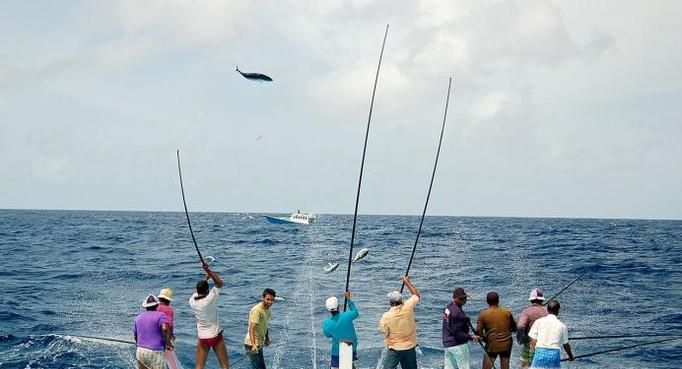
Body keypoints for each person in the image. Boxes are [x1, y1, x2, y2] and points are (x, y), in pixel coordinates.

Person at [189, 263, 229, 369]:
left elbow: (198, 290)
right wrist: (208, 271)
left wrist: (205, 278)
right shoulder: (209, 300)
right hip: (215, 336)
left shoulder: (192, 301)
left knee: (199, 366)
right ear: (207, 290)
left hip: (202, 337)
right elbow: (219, 283)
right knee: (225, 366)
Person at [378, 276, 421, 369]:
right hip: (410, 347)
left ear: (392, 303)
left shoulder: (387, 316)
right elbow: (416, 295)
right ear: (401, 300)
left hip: (395, 349)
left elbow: (383, 329)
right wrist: (407, 282)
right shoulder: (408, 306)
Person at [476, 291, 517, 369]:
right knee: (505, 367)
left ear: (487, 302)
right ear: (498, 300)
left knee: (486, 368)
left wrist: (485, 339)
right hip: (507, 344)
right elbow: (514, 327)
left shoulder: (483, 314)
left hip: (492, 344)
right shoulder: (507, 312)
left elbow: (479, 333)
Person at [529, 299, 575, 368]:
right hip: (554, 354)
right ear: (558, 311)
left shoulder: (538, 322)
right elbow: (566, 345)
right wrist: (570, 356)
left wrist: (537, 351)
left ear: (547, 310)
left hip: (540, 351)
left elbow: (533, 340)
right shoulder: (562, 326)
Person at [442, 287, 480, 369]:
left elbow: (451, 323)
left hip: (448, 344)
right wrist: (471, 337)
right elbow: (456, 333)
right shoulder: (458, 314)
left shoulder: (449, 306)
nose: (465, 300)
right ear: (456, 299)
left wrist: (463, 318)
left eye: (465, 298)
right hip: (458, 346)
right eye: (462, 298)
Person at [133, 294, 173, 369]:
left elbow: (135, 336)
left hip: (140, 351)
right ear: (157, 305)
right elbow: (165, 328)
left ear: (146, 306)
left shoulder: (138, 318)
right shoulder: (161, 315)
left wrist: (139, 345)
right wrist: (168, 343)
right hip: (155, 352)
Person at [322, 290, 359, 369]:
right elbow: (355, 312)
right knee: (348, 364)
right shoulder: (347, 315)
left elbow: (327, 335)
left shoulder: (327, 324)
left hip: (337, 354)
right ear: (338, 306)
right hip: (351, 349)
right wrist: (348, 299)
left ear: (328, 310)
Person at [244, 288, 277, 369]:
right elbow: (251, 328)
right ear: (263, 298)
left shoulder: (268, 310)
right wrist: (254, 345)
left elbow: (265, 325)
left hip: (259, 343)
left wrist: (267, 338)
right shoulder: (257, 310)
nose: (269, 302)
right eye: (268, 299)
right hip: (251, 344)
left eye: (272, 300)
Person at [517, 288, 548, 368]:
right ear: (542, 300)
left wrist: (521, 339)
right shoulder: (547, 311)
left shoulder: (527, 311)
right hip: (545, 344)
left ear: (531, 300)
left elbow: (520, 326)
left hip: (530, 343)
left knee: (525, 365)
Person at [157, 287, 179, 369]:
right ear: (168, 300)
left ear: (159, 298)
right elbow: (168, 325)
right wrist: (169, 341)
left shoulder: (154, 308)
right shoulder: (169, 310)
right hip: (163, 341)